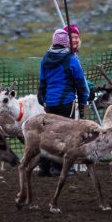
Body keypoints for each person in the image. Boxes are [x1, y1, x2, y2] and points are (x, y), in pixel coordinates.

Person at [37, 27, 89, 176]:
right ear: (66, 42)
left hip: (50, 103)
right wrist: (83, 102)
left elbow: (42, 82)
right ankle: (59, 168)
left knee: (49, 134)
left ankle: (44, 168)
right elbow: (80, 83)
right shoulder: (71, 59)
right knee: (66, 134)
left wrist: (43, 100)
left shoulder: (45, 59)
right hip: (66, 102)